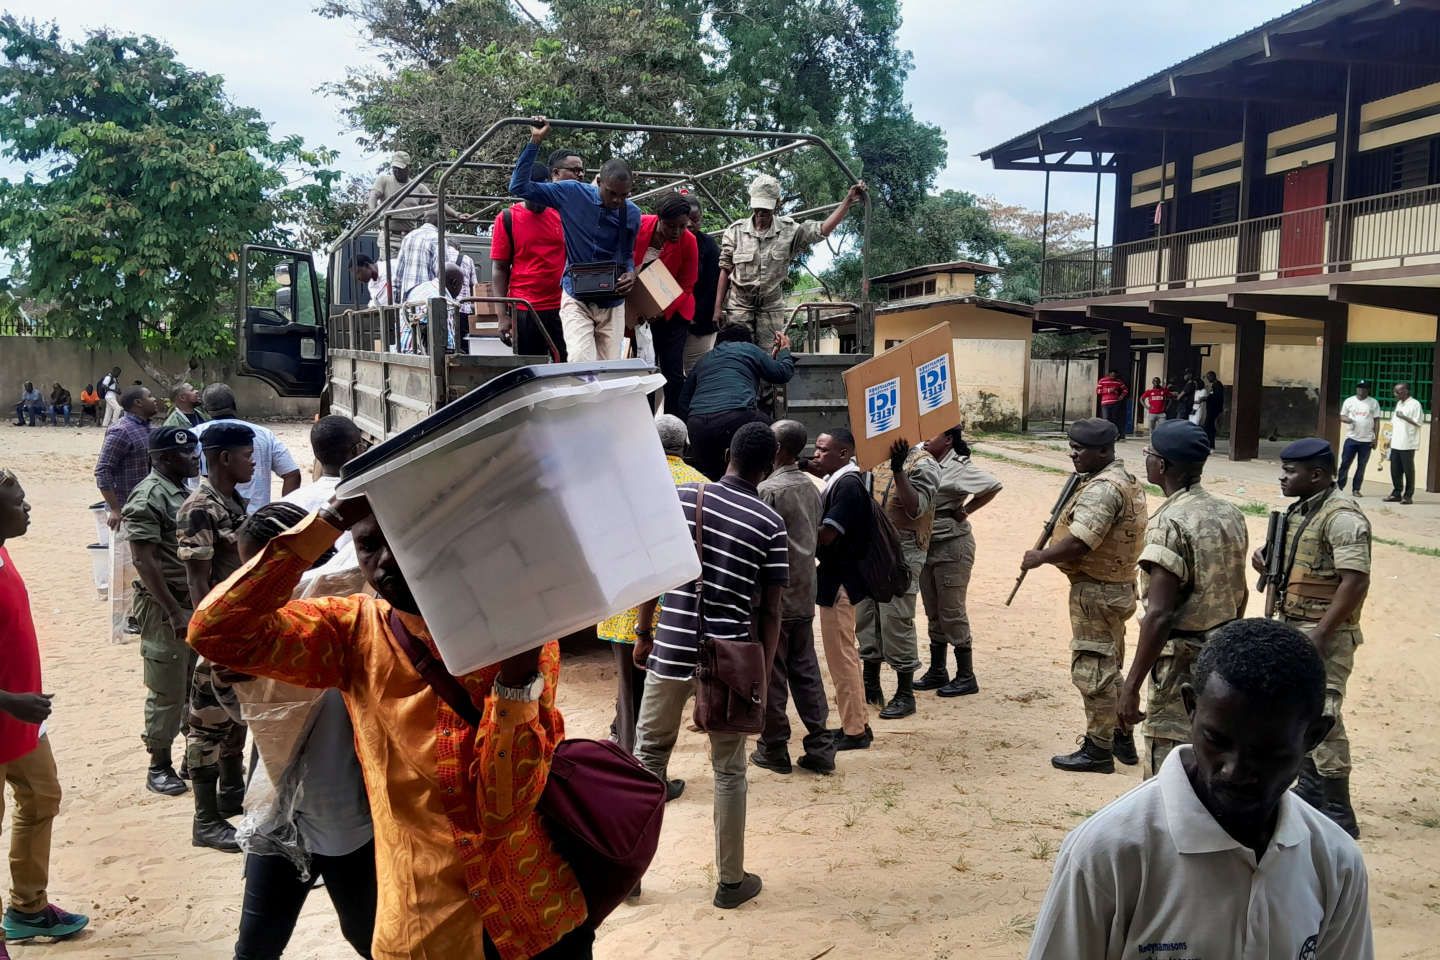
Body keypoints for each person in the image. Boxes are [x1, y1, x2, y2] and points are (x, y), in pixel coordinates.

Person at [188, 494, 594, 959]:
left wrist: (519, 677)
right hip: (423, 930)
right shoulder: (352, 631)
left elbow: (501, 811)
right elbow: (215, 630)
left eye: (401, 542)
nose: (383, 563)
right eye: (367, 546)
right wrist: (329, 518)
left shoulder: (514, 639)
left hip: (532, 918)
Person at [1026, 619, 1373, 960]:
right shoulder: (1107, 854)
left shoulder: (1335, 862)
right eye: (1217, 740)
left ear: (1314, 737)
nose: (1234, 771)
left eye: (1267, 752)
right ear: (1191, 708)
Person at [632, 422, 788, 909]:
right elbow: (771, 610)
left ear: (726, 454)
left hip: (672, 647)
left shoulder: (683, 499)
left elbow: (653, 573)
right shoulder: (769, 525)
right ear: (769, 467)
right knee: (728, 770)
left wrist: (644, 632)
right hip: (730, 660)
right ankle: (730, 881)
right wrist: (759, 671)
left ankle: (629, 877)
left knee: (648, 759)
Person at [229, 501, 376, 960]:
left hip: (352, 820)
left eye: (266, 569)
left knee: (371, 937)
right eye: (249, 569)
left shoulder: (361, 623)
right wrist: (230, 686)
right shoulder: (254, 633)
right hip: (281, 811)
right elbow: (247, 722)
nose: (254, 582)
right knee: (256, 945)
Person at [1253, 438, 1371, 838]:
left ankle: (1339, 808)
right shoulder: (1304, 511)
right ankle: (1310, 787)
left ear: (1317, 474)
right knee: (1295, 709)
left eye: (1290, 471)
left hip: (1325, 632)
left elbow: (1355, 581)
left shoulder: (1342, 517)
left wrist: (1321, 634)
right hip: (1294, 622)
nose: (1283, 477)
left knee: (1324, 713)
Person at [1120, 419, 1248, 777]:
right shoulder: (1230, 514)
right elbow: (1239, 590)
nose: (1145, 460)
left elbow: (1160, 614)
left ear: (1161, 466)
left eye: (1148, 454)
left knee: (1169, 768)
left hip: (1179, 664)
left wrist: (1130, 687)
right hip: (1221, 659)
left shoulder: (1168, 523)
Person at [1021, 418, 1147, 774]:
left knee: (1093, 669)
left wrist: (1041, 557)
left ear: (1105, 451)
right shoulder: (1122, 480)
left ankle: (1097, 749)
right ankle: (1120, 735)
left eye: (1081, 449)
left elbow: (1081, 541)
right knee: (1110, 666)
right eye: (1072, 447)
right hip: (1115, 586)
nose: (1073, 454)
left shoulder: (1103, 489)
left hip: (1097, 590)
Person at [0, 471, 90, 957]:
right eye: (19, 503)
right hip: (9, 710)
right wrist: (9, 700)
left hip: (24, 719)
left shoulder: (2, 550)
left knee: (41, 799)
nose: (27, 509)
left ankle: (28, 908)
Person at [595, 414, 705, 755]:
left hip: (625, 602)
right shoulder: (702, 484)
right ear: (686, 446)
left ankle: (629, 757)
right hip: (677, 610)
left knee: (630, 688)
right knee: (661, 694)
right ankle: (639, 761)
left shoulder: (620, 480)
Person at [177, 423, 256, 852]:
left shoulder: (231, 501)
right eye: (247, 455)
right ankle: (205, 820)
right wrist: (213, 637)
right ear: (224, 458)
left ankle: (230, 795)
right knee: (206, 725)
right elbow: (197, 580)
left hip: (238, 628)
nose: (253, 461)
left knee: (233, 722)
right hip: (218, 631)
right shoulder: (200, 508)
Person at [510, 118, 642, 363]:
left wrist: (631, 273)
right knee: (582, 363)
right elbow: (518, 186)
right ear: (599, 183)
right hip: (576, 294)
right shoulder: (571, 193)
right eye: (612, 193)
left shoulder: (632, 213)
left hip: (612, 301)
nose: (616, 201)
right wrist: (535, 142)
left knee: (610, 370)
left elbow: (626, 253)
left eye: (623, 195)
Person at [122, 425, 202, 796]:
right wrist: (173, 611)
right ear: (165, 458)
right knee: (166, 689)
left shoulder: (181, 490)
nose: (193, 458)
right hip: (163, 605)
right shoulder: (148, 496)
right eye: (186, 454)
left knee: (191, 684)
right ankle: (159, 765)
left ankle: (191, 756)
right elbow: (144, 560)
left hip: (186, 603)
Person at [752, 419, 835, 775]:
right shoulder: (811, 487)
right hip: (805, 590)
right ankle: (820, 745)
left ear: (776, 449)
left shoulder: (769, 490)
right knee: (806, 670)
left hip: (777, 596)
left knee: (772, 671)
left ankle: (774, 747)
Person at [715, 175, 866, 346]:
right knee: (738, 355)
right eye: (758, 206)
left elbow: (822, 229)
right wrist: (717, 308)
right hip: (739, 307)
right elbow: (725, 269)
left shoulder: (789, 230)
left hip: (770, 308)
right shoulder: (735, 231)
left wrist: (847, 201)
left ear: (777, 204)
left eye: (766, 207)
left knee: (768, 357)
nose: (761, 212)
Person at [855, 438, 939, 720]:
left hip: (903, 552)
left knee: (896, 619)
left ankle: (905, 693)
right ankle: (870, 682)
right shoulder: (872, 458)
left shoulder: (924, 464)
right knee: (866, 615)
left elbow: (916, 508)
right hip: (871, 548)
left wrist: (899, 470)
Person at [915, 426, 1002, 696]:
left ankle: (966, 675)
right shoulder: (923, 458)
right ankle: (938, 671)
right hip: (927, 545)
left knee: (952, 612)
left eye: (933, 434)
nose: (926, 438)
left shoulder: (959, 466)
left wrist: (966, 510)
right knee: (933, 612)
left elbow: (992, 485)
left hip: (952, 548)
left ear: (949, 439)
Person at [806, 428, 872, 751]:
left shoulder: (847, 486)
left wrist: (797, 528)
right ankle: (858, 722)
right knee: (846, 654)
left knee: (842, 657)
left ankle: (855, 731)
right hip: (841, 579)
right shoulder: (841, 481)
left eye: (822, 450)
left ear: (843, 454)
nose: (816, 455)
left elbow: (828, 535)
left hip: (840, 582)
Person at [678, 324, 796, 480]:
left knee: (710, 478)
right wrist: (784, 351)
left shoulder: (705, 359)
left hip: (697, 425)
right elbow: (782, 373)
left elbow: (683, 402)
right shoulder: (749, 349)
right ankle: (782, 479)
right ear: (747, 340)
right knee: (778, 433)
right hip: (736, 416)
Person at [493, 162, 567, 361]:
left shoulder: (561, 216)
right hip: (525, 309)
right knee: (530, 369)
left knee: (567, 366)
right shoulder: (507, 218)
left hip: (561, 308)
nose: (536, 199)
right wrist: (502, 316)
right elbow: (500, 269)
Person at [632, 195, 699, 411]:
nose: (676, 232)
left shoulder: (689, 241)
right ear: (659, 218)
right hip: (638, 312)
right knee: (645, 368)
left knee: (672, 371)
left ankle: (674, 424)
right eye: (670, 226)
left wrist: (663, 310)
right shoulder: (639, 224)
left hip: (674, 313)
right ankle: (645, 420)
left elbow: (687, 285)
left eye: (682, 226)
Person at [191, 384, 301, 513]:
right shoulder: (264, 434)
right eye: (248, 455)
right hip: (256, 521)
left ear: (205, 409)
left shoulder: (193, 436)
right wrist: (283, 514)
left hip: (208, 517)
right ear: (234, 404)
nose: (252, 461)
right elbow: (292, 474)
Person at [95, 386, 160, 530]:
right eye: (150, 396)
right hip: (127, 512)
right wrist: (115, 509)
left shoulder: (149, 428)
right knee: (128, 553)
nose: (155, 399)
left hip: (150, 506)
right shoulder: (121, 430)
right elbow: (103, 470)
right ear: (138, 402)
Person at [684, 196, 722, 376]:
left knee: (697, 370)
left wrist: (695, 315)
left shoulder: (709, 246)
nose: (690, 224)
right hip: (673, 321)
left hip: (700, 321)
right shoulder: (670, 240)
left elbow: (713, 286)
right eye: (687, 219)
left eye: (695, 219)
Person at [369, 151, 436, 244]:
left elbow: (437, 201)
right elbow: (373, 195)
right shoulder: (384, 180)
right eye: (394, 168)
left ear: (408, 167)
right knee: (389, 258)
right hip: (389, 236)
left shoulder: (417, 186)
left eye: (400, 168)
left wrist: (456, 214)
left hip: (409, 237)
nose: (396, 171)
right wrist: (372, 209)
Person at [399, 263, 465, 354]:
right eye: (462, 285)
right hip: (420, 353)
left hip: (402, 349)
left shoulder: (421, 287)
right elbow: (447, 345)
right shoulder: (442, 298)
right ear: (454, 283)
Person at [1337, 380, 1381, 496]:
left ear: (1368, 390)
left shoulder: (1373, 403)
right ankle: (1339, 487)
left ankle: (1356, 489)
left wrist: (1376, 438)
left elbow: (1376, 421)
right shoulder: (1349, 401)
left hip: (1366, 441)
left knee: (1361, 466)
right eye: (1359, 388)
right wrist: (1346, 419)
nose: (1361, 390)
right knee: (1345, 464)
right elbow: (1342, 415)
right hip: (1351, 439)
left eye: (1364, 388)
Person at [1385, 381, 1423, 505]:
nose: (1395, 394)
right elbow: (1393, 423)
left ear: (1406, 391)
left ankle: (1408, 496)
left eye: (1398, 391)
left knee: (1408, 470)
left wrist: (1404, 417)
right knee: (1395, 470)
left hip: (1407, 443)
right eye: (1394, 391)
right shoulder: (1399, 404)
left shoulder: (1415, 404)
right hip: (1396, 442)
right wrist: (1388, 439)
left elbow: (1418, 422)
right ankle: (1396, 493)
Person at [1095, 370, 1128, 438]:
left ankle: (1114, 434)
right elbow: (1098, 391)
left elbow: (1125, 390)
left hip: (1115, 403)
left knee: (1114, 419)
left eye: (1115, 376)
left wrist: (1121, 396)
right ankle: (1105, 434)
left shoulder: (1118, 381)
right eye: (1112, 375)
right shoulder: (1102, 380)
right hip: (1105, 403)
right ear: (1109, 374)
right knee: (1106, 418)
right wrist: (1109, 390)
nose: (1113, 377)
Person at [1201, 370, 1225, 449]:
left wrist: (1207, 398)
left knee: (1208, 426)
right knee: (1209, 427)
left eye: (1208, 377)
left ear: (1212, 376)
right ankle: (1210, 444)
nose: (1208, 379)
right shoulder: (1214, 385)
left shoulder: (1217, 385)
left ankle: (1209, 444)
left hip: (1214, 409)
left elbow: (1216, 397)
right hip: (1211, 409)